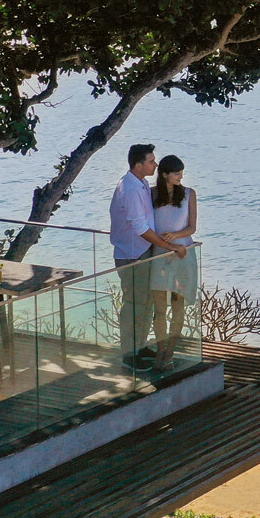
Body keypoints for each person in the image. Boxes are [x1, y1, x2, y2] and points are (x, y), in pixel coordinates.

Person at [108, 143, 185, 369]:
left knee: (146, 302)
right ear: (138, 165)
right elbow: (139, 227)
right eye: (151, 161)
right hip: (132, 255)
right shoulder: (131, 189)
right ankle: (129, 354)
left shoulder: (140, 183)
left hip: (144, 251)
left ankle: (139, 347)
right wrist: (169, 246)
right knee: (134, 304)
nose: (156, 164)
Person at [147, 154, 198, 369]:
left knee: (178, 305)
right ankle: (160, 350)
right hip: (159, 254)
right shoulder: (151, 194)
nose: (180, 177)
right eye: (176, 173)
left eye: (181, 173)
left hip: (182, 254)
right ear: (165, 174)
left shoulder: (189, 194)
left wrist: (175, 236)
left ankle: (170, 352)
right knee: (159, 308)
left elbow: (192, 228)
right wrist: (165, 241)